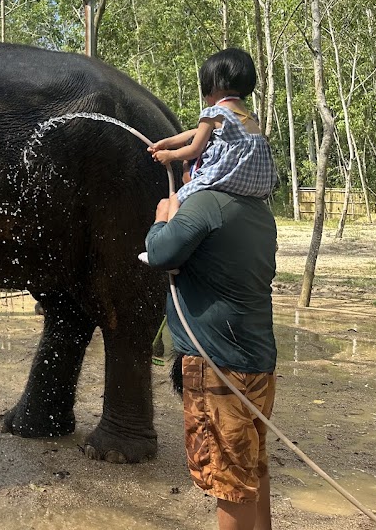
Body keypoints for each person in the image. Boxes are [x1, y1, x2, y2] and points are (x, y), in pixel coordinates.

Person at [144, 186, 278, 530]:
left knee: (230, 480)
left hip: (218, 368)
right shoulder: (258, 210)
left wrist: (162, 220)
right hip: (258, 362)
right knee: (252, 463)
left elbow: (160, 253)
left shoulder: (205, 203)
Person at [148, 48, 276, 208]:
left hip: (228, 180)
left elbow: (194, 149)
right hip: (256, 184)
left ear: (213, 86)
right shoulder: (249, 116)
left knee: (175, 200)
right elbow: (196, 133)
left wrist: (170, 155)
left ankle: (174, 224)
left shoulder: (214, 113)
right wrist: (166, 143)